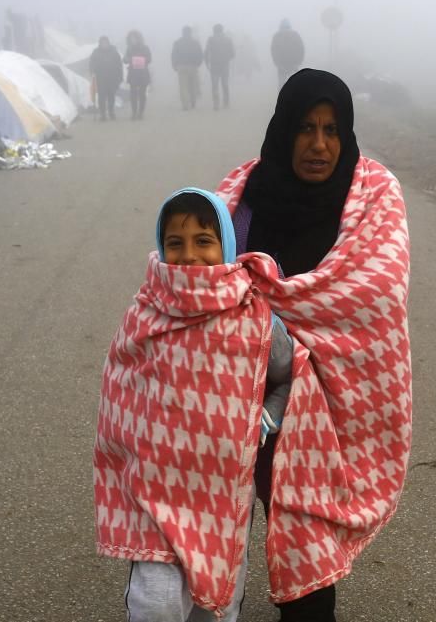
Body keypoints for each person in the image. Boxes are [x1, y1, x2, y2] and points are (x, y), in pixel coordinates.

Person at [215, 68, 412, 621]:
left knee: (305, 530)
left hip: (331, 403)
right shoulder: (242, 197)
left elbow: (377, 293)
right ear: (283, 131)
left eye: (331, 129)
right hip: (243, 393)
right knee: (235, 516)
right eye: (305, 128)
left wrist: (282, 321)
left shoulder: (373, 195)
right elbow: (206, 280)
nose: (319, 144)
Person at [95, 187, 294, 622]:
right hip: (156, 492)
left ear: (226, 244)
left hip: (224, 496)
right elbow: (122, 393)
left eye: (203, 241)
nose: (188, 255)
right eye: (175, 243)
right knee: (156, 604)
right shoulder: (145, 314)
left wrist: (266, 418)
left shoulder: (256, 319)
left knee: (216, 606)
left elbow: (289, 376)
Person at [89, 36, 123, 121]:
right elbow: (91, 63)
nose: (104, 44)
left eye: (105, 42)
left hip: (112, 78)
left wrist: (120, 77)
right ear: (100, 43)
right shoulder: (96, 52)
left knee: (111, 96)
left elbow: (119, 65)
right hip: (101, 78)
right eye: (102, 42)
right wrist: (92, 71)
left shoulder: (114, 51)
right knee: (101, 97)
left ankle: (111, 112)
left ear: (108, 43)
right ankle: (103, 114)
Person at [172, 26, 204, 110]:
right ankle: (193, 101)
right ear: (190, 33)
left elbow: (174, 55)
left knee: (183, 87)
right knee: (192, 85)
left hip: (181, 66)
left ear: (182, 33)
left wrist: (174, 65)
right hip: (193, 66)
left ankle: (185, 105)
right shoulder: (195, 43)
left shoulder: (177, 42)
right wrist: (198, 64)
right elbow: (200, 54)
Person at [204, 24, 236, 110]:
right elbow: (233, 54)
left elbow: (206, 52)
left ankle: (216, 104)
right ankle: (226, 103)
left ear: (214, 30)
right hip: (225, 65)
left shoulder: (211, 39)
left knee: (215, 85)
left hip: (214, 65)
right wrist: (226, 58)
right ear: (222, 30)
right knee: (225, 84)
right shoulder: (228, 40)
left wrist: (207, 63)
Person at [123, 30, 152, 120]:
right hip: (133, 74)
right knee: (133, 94)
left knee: (142, 94)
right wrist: (126, 59)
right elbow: (125, 60)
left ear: (139, 38)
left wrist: (139, 60)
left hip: (143, 73)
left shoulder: (145, 48)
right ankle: (134, 112)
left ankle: (141, 112)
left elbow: (149, 59)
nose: (133, 40)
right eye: (131, 38)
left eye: (134, 38)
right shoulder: (129, 49)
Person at [270, 19, 304, 89]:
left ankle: (282, 99)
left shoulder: (277, 36)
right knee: (296, 84)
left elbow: (274, 52)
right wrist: (298, 62)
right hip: (292, 64)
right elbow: (301, 49)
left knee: (282, 86)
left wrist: (278, 64)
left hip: (284, 65)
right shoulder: (295, 35)